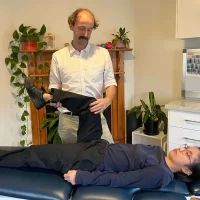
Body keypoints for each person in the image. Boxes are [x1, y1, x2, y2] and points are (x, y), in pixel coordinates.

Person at [1, 77, 199, 190]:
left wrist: (83, 177)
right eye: (186, 147)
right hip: (98, 145)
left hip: (89, 160)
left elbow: (121, 180)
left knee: (33, 154)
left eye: (187, 154)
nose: (182, 149)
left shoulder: (160, 174)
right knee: (92, 104)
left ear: (187, 171)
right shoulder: (159, 154)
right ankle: (44, 97)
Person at [49, 8, 117, 144]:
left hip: (96, 117)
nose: (85, 34)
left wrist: (108, 99)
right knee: (72, 162)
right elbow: (54, 86)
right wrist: (54, 99)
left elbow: (110, 83)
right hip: (69, 121)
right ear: (71, 25)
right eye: (81, 28)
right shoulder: (58, 56)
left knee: (108, 156)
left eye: (90, 29)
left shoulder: (103, 54)